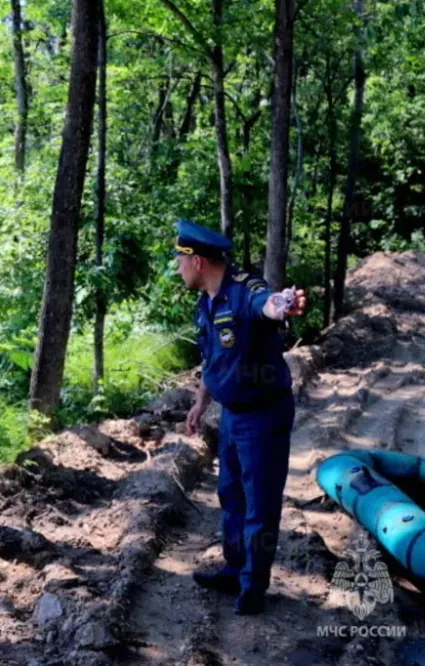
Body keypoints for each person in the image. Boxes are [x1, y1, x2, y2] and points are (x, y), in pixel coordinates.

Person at [174, 219, 308, 616]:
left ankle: (254, 585)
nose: (178, 271)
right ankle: (234, 569)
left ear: (196, 261)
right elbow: (212, 358)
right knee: (231, 496)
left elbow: (267, 304)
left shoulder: (243, 289)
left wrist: (283, 304)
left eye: (180, 263)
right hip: (231, 416)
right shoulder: (207, 301)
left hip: (263, 417)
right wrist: (201, 402)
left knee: (259, 504)